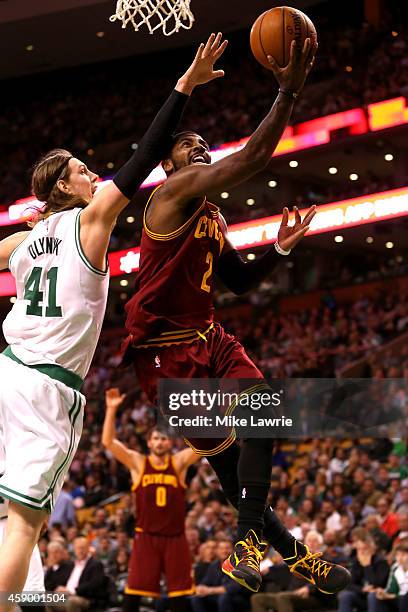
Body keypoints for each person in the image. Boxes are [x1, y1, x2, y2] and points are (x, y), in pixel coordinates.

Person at [0, 33, 227, 610]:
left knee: (10, 517)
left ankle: (26, 602)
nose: (92, 172)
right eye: (79, 169)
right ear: (60, 189)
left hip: (6, 371)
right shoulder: (92, 219)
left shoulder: (21, 241)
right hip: (48, 385)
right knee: (27, 523)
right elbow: (145, 156)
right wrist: (185, 86)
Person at [121, 35, 350, 595]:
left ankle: (248, 545)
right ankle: (298, 559)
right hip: (166, 356)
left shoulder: (212, 215)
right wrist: (287, 94)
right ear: (170, 164)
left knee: (263, 416)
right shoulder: (171, 195)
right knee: (230, 476)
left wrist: (281, 249)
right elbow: (251, 157)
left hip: (210, 337)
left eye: (203, 144)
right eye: (188, 145)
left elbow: (239, 283)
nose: (198, 149)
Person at [102, 388, 200, 612]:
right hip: (146, 536)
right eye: (155, 438)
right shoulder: (138, 463)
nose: (160, 442)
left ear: (170, 443)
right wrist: (111, 409)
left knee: (180, 596)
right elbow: (108, 442)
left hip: (176, 537)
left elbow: (206, 444)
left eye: (164, 439)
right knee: (134, 594)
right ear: (149, 443)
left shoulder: (178, 463)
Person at [250, 531, 338, 612]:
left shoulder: (324, 562)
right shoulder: (298, 561)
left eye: (314, 541)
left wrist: (308, 588)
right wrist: (269, 569)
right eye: (309, 541)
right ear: (305, 544)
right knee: (257, 598)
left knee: (283, 597)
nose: (311, 543)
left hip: (312, 597)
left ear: (320, 545)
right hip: (291, 594)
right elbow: (283, 567)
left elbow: (325, 579)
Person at [46, 537, 107, 612]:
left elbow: (95, 583)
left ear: (88, 548)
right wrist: (59, 588)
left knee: (71, 601)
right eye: (78, 548)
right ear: (74, 550)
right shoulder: (71, 564)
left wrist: (73, 591)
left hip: (85, 597)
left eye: (82, 548)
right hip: (66, 595)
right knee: (45, 599)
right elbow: (59, 579)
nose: (80, 551)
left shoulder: (95, 564)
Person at [370, 539, 408, 612]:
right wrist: (383, 592)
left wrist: (391, 596)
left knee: (404, 599)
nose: (400, 558)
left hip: (404, 599)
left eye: (403, 555)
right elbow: (391, 589)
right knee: (374, 596)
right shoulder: (395, 568)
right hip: (397, 599)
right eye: (397, 555)